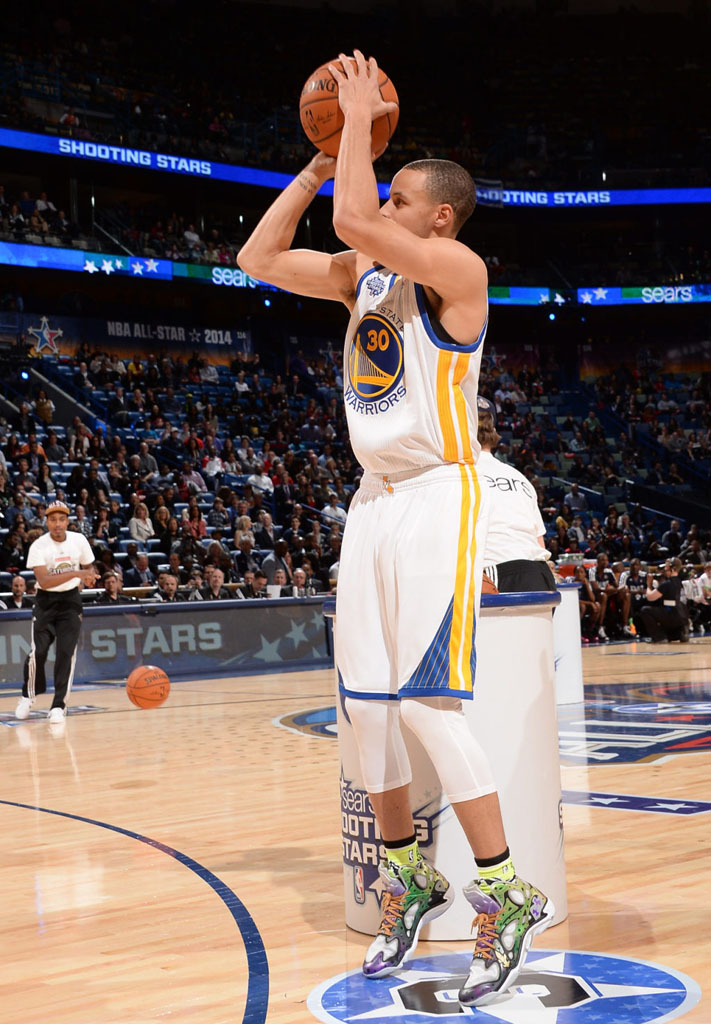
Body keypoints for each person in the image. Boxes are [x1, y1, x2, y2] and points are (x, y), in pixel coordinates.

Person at [237, 50, 552, 1007]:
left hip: (438, 496)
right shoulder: (361, 274)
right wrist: (317, 161)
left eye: (399, 189)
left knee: (426, 706)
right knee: (368, 713)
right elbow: (255, 259)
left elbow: (354, 219)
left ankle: (504, 892)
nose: (385, 192)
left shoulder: (457, 270)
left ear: (437, 216)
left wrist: (362, 124)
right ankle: (409, 876)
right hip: (371, 505)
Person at [15, 501, 98, 723]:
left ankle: (59, 705)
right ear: (47, 521)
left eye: (61, 519)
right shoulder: (39, 546)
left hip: (70, 601)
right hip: (45, 601)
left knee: (66, 654)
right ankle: (28, 695)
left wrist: (89, 576)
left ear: (67, 521)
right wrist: (76, 574)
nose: (57, 524)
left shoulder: (79, 540)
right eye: (53, 520)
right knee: (38, 652)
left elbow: (90, 567)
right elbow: (44, 580)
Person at [477, 399, 555, 593]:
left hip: (496, 570)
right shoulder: (518, 477)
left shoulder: (460, 474)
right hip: (541, 574)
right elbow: (539, 541)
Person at [636, 558, 689, 643]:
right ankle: (679, 633)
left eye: (666, 567)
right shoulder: (680, 582)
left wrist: (649, 584)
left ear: (672, 568)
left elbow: (650, 597)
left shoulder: (667, 584)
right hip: (683, 616)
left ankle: (659, 637)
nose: (664, 569)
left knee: (645, 610)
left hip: (672, 615)